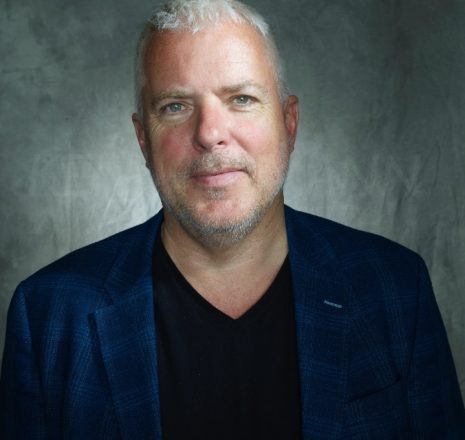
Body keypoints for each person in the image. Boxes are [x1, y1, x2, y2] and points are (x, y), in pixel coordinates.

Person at [1, 0, 464, 438]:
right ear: (143, 139)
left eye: (241, 98)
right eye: (175, 106)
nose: (209, 134)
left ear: (289, 123)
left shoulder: (394, 288)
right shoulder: (48, 315)